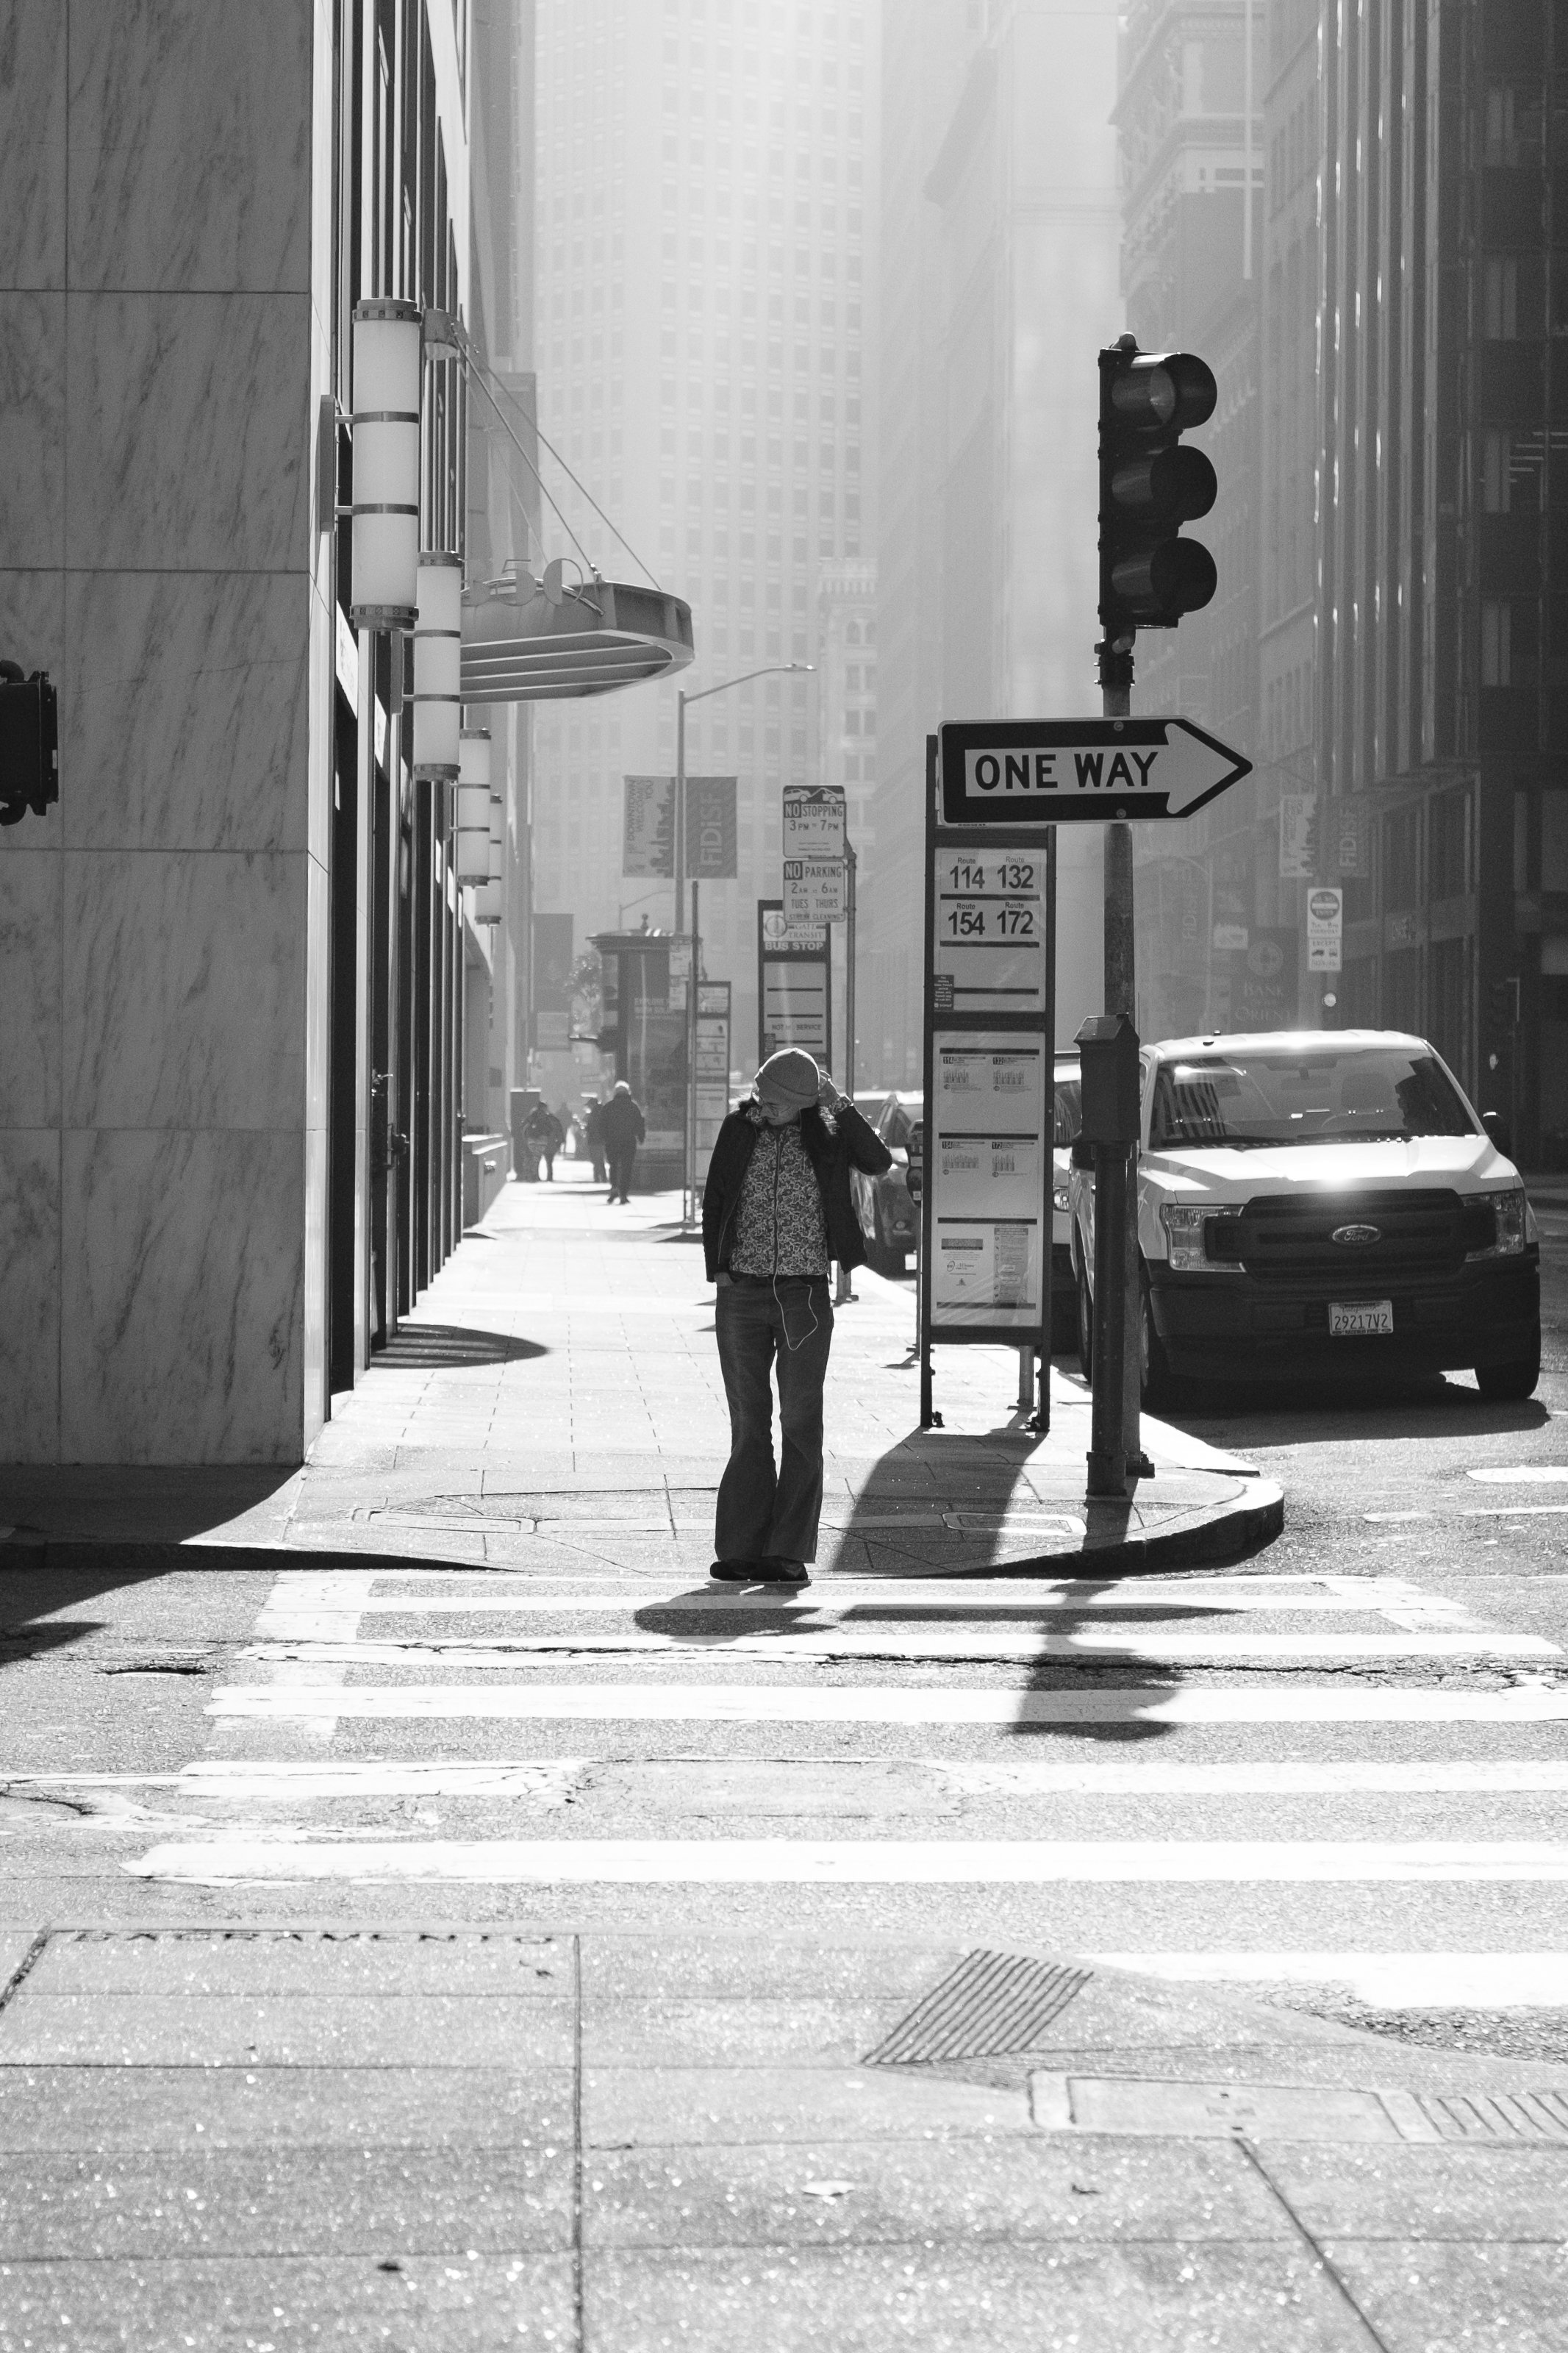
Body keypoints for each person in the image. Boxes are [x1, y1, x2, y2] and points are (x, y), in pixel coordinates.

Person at [701, 1047, 892, 1586]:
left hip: (802, 1294)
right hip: (741, 1291)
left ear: (803, 1104)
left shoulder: (826, 1133)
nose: (767, 1106)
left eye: (780, 1101)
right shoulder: (739, 1129)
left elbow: (878, 1162)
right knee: (748, 1423)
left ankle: (786, 1552)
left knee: (800, 1423)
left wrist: (838, 1104)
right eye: (764, 1095)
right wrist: (717, 1268)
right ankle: (740, 1549)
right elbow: (715, 1196)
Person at [601, 1079, 645, 1203]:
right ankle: (623, 1193)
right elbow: (639, 1123)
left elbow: (602, 1124)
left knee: (613, 1166)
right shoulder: (633, 1107)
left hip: (612, 1142)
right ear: (628, 1093)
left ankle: (614, 1187)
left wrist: (605, 1138)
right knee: (627, 1168)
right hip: (628, 1142)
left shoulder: (608, 1107)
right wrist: (641, 1137)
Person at [523, 1101, 565, 1182]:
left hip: (532, 1139)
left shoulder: (532, 1116)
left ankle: (536, 1176)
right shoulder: (549, 1118)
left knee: (536, 1158)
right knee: (549, 1160)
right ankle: (549, 1176)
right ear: (544, 1108)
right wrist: (559, 1141)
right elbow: (553, 1129)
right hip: (546, 1140)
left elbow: (525, 1127)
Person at [584, 1094, 609, 1185]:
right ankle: (602, 1177)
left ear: (592, 1105)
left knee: (596, 1159)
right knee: (600, 1159)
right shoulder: (602, 1111)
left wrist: (587, 1128)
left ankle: (598, 1177)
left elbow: (592, 1127)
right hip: (601, 1140)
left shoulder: (595, 1114)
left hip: (595, 1140)